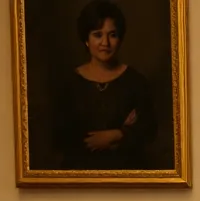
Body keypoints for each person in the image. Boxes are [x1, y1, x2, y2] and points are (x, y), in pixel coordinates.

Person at [52, 1, 159, 171]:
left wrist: (118, 134)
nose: (105, 43)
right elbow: (59, 136)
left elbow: (149, 130)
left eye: (112, 35)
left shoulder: (136, 82)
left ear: (120, 38)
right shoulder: (69, 84)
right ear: (86, 39)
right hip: (79, 177)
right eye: (97, 34)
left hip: (127, 176)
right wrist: (113, 135)